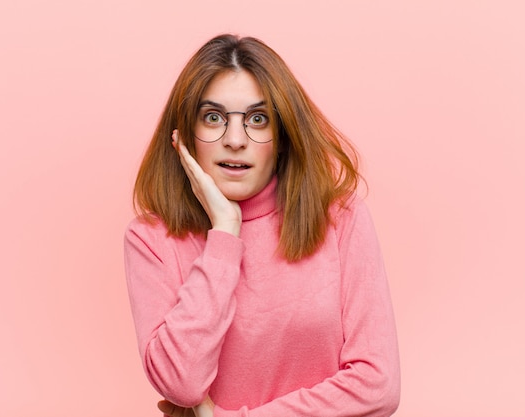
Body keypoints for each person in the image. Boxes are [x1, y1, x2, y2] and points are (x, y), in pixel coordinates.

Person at [124, 34, 400, 417]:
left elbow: (378, 385)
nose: (235, 140)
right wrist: (224, 231)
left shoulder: (341, 217)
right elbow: (181, 384)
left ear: (283, 136)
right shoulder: (152, 240)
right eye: (214, 117)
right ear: (183, 136)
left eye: (258, 119)